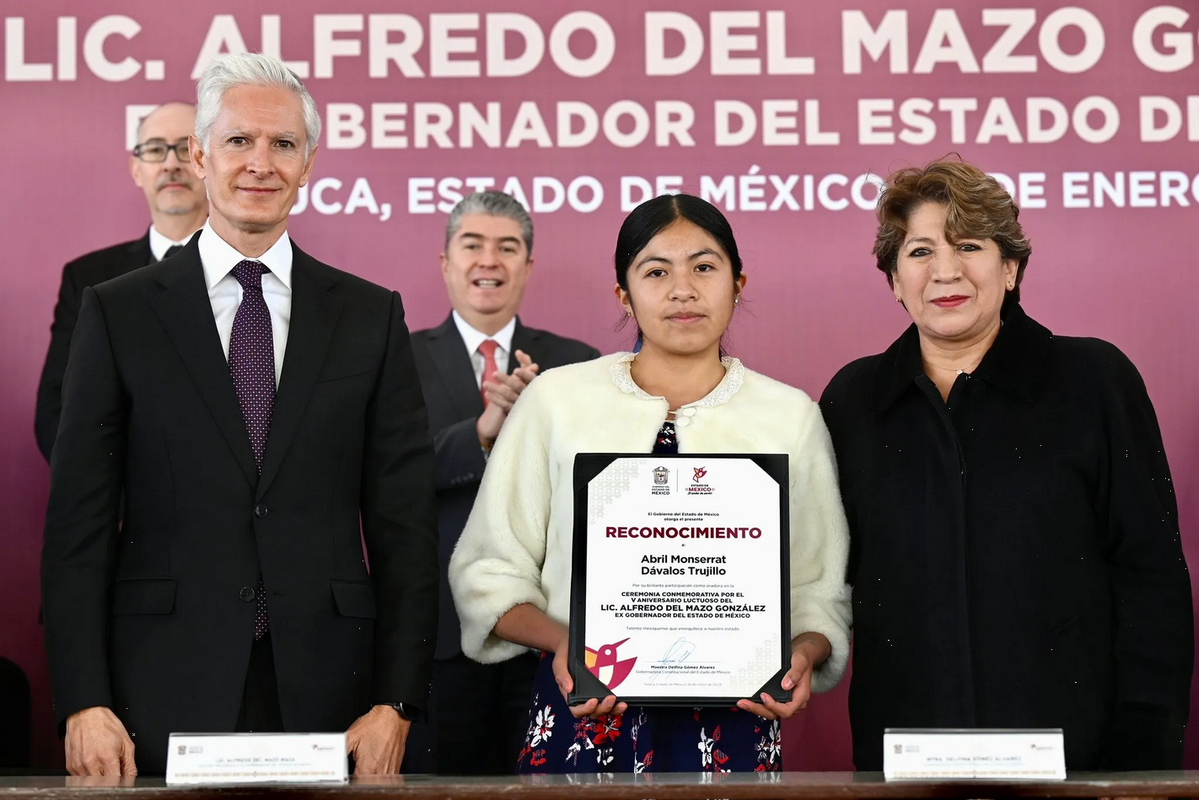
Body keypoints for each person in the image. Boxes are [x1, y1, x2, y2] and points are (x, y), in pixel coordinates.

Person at [40, 53, 438, 776]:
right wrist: (83, 701)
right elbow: (78, 523)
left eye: (283, 144)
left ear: (309, 161)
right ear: (199, 154)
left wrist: (396, 702)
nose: (261, 163)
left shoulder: (369, 317)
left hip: (334, 692)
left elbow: (405, 528)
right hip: (156, 685)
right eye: (238, 141)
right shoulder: (118, 311)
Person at [448, 193, 851, 773]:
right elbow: (488, 571)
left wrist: (803, 652)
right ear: (624, 294)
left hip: (735, 719)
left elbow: (820, 589)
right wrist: (565, 642)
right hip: (584, 709)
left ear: (739, 282)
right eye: (656, 271)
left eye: (704, 267)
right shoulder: (557, 402)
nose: (682, 289)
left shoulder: (789, 417)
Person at [819, 157, 1194, 771]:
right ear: (893, 278)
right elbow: (825, 571)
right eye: (918, 252)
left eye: (968, 245)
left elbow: (1150, 578)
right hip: (906, 756)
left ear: (1011, 268)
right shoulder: (854, 400)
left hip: (1082, 757)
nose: (945, 271)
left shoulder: (1093, 380)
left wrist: (1144, 752)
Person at [405, 191, 599, 774]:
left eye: (507, 247)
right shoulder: (397, 358)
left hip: (551, 635)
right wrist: (482, 432)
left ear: (527, 266)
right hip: (437, 634)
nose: (489, 261)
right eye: (472, 245)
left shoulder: (576, 365)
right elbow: (382, 477)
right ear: (445, 262)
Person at [35, 102, 208, 462]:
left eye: (186, 148)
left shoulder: (253, 271)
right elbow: (58, 408)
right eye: (156, 149)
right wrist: (106, 503)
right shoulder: (87, 278)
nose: (171, 163)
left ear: (209, 163)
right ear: (136, 169)